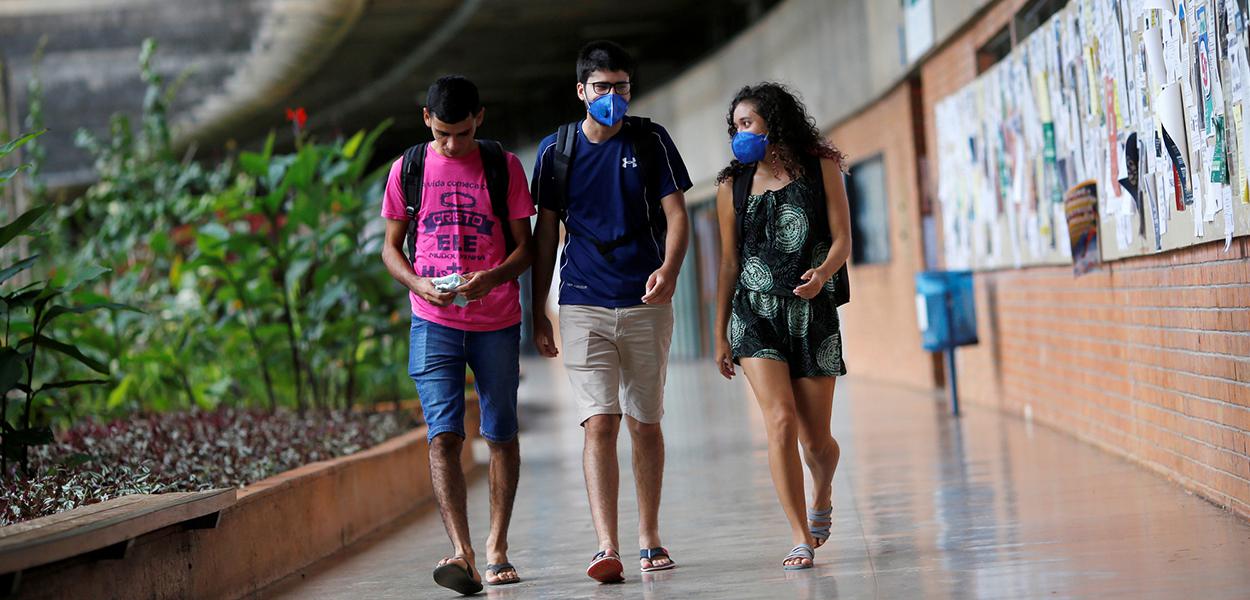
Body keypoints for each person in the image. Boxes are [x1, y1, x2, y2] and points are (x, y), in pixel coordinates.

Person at [530, 40, 692, 583]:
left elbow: (677, 215)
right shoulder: (557, 150)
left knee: (645, 422)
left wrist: (669, 271)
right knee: (599, 421)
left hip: (645, 302)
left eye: (621, 87)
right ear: (581, 91)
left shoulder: (650, 139)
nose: (613, 97)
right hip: (581, 302)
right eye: (602, 88)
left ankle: (649, 537)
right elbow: (546, 232)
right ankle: (606, 545)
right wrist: (539, 308)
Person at [380, 75, 535, 595]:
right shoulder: (409, 168)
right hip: (433, 321)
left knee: (500, 433)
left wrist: (490, 277)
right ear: (427, 119)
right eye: (443, 133)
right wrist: (420, 283)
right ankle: (462, 553)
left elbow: (526, 247)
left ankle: (497, 548)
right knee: (443, 436)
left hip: (495, 321)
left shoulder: (503, 166)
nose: (452, 144)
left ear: (480, 119)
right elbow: (390, 248)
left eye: (462, 133)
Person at [712, 82, 851, 571]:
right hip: (754, 315)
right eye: (735, 127)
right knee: (780, 421)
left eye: (747, 123)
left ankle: (823, 489)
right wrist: (719, 332)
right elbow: (728, 263)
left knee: (817, 442)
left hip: (812, 311)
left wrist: (823, 275)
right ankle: (798, 536)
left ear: (774, 121)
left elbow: (843, 239)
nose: (739, 134)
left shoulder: (821, 168)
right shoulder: (731, 185)